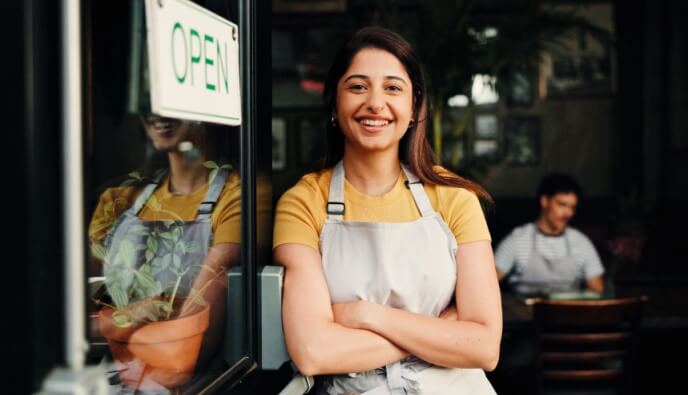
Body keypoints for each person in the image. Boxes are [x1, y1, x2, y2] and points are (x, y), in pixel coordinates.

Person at [273, 26, 502, 394]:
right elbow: (313, 351)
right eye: (358, 86)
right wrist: (439, 336)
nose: (376, 103)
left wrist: (364, 316)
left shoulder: (455, 198)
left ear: (414, 108)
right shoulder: (302, 202)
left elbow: (485, 348)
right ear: (334, 103)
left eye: (393, 88)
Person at [88, 113, 241, 386]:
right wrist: (129, 317)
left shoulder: (237, 197)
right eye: (148, 102)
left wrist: (111, 325)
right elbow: (67, 325)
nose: (157, 113)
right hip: (110, 378)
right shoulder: (118, 200)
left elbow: (185, 352)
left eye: (168, 102)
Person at [495, 173, 605, 295]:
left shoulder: (581, 243)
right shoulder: (517, 240)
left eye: (572, 207)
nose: (568, 213)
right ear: (545, 201)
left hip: (569, 312)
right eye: (562, 204)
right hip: (525, 312)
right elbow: (488, 283)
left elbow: (597, 290)